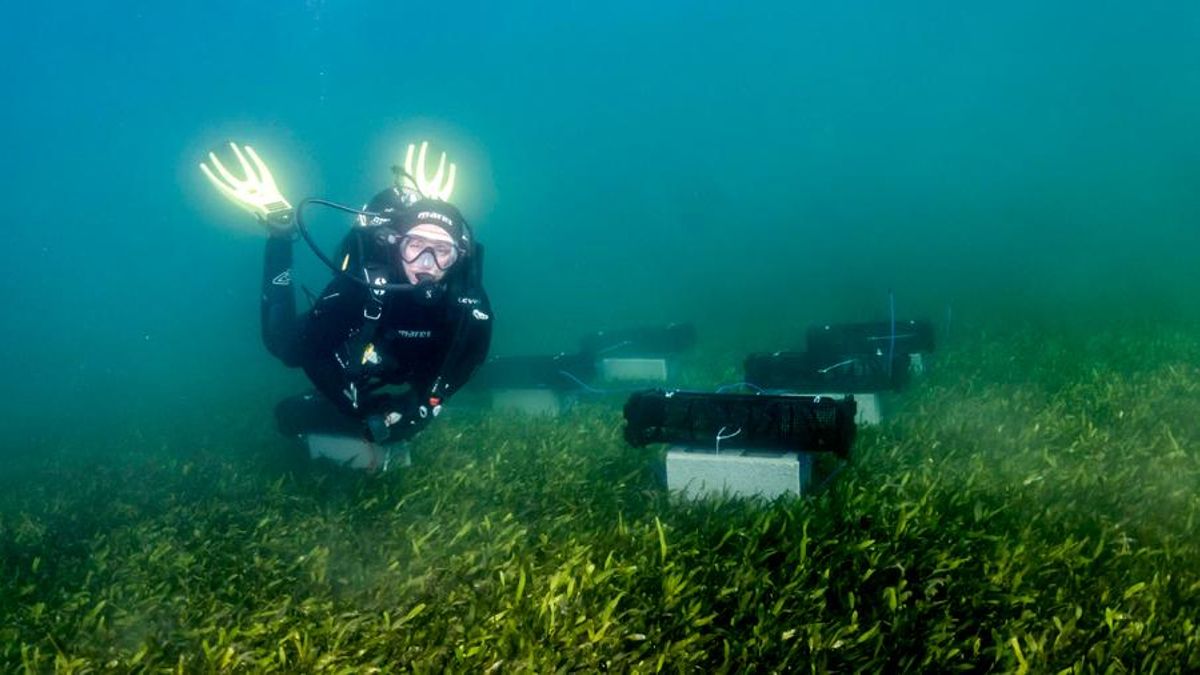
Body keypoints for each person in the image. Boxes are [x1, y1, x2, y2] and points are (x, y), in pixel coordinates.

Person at [200, 142, 492, 469]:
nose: (426, 263)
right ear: (396, 244)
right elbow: (310, 353)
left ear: (458, 257)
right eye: (416, 245)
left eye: (442, 251)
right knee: (284, 346)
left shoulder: (465, 296)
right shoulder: (361, 286)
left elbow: (470, 357)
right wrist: (355, 407)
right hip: (368, 344)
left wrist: (426, 406)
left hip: (410, 357)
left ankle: (423, 204)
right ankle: (279, 230)